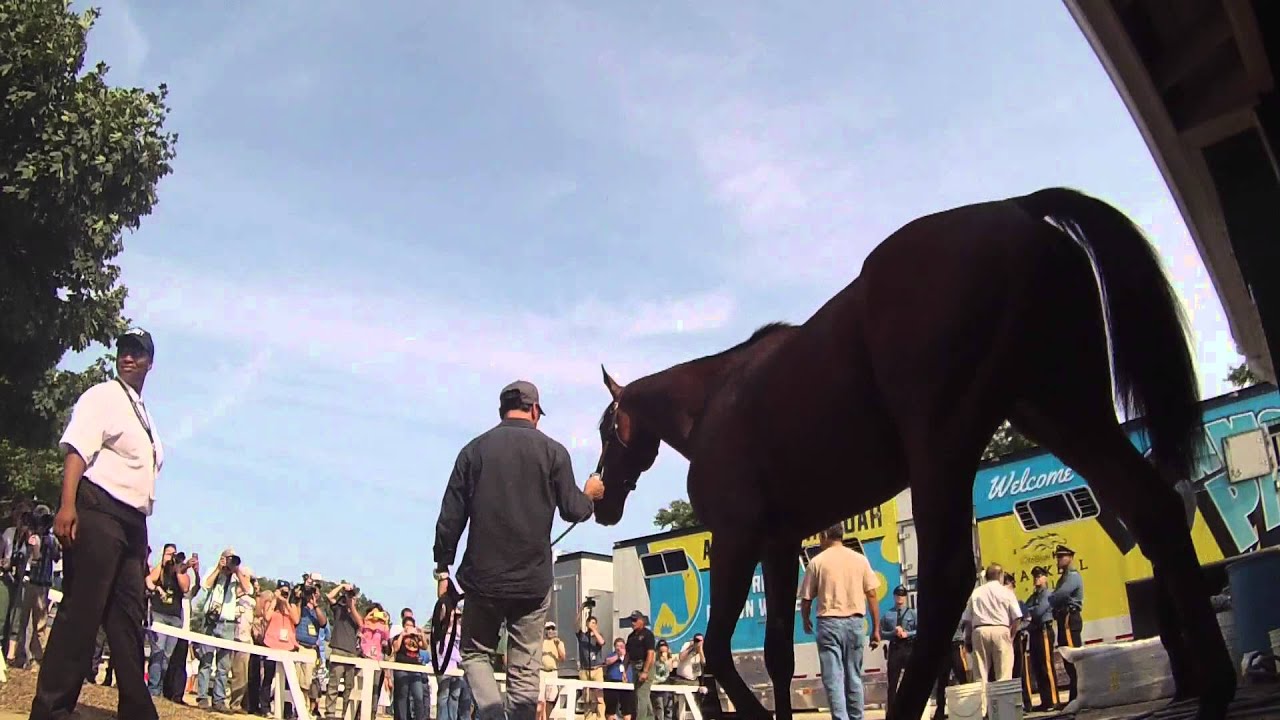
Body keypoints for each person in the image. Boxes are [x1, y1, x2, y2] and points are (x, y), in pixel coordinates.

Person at [433, 380, 605, 720]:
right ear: (535, 410)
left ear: (502, 410)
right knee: (525, 666)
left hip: (482, 580)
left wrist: (443, 569)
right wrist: (590, 493)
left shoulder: (473, 451)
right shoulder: (553, 452)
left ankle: (494, 716)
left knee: (475, 653)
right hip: (532, 581)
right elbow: (575, 510)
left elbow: (450, 517)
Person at [30, 328, 164, 720]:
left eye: (137, 353)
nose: (129, 357)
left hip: (132, 522)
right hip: (98, 509)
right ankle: (51, 708)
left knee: (127, 618)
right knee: (82, 610)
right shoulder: (103, 396)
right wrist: (66, 505)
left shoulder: (144, 415)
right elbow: (78, 450)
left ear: (149, 363)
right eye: (124, 350)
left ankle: (137, 711)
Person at [799, 524, 881, 720]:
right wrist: (876, 628)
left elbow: (807, 599)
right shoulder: (860, 560)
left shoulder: (817, 562)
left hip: (829, 624)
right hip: (855, 623)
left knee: (833, 679)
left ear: (825, 534)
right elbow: (871, 594)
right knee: (854, 676)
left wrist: (805, 619)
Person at [960, 564, 1022, 684]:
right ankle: (1003, 702)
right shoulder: (1006, 592)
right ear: (1001, 576)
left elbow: (967, 620)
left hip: (980, 631)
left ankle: (982, 702)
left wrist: (968, 639)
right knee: (1004, 673)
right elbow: (1017, 617)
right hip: (1001, 629)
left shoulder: (976, 593)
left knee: (980, 674)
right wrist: (1012, 636)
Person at [1049, 546, 1084, 704]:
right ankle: (1074, 696)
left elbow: (1060, 595)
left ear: (1070, 557)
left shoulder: (1072, 576)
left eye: (1062, 556)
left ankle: (1077, 697)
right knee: (1067, 658)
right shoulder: (1063, 578)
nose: (1058, 560)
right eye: (1057, 557)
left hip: (1070, 618)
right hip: (1063, 619)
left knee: (1072, 658)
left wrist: (1052, 598)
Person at [1024, 566, 1059, 712]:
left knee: (1046, 666)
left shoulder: (1048, 594)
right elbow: (1024, 611)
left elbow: (1038, 612)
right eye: (1035, 576)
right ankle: (1045, 700)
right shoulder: (1033, 597)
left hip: (1044, 631)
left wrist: (1030, 612)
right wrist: (1030, 612)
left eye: (1039, 576)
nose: (1037, 579)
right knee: (1037, 668)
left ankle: (1053, 700)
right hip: (1034, 633)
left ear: (1045, 578)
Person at [879, 585, 917, 718]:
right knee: (892, 684)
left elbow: (920, 630)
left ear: (905, 597)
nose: (900, 597)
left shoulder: (913, 613)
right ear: (894, 597)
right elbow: (880, 633)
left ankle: (911, 711)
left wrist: (908, 634)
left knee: (912, 680)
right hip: (895, 648)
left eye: (902, 595)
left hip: (908, 648)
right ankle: (891, 714)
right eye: (897, 595)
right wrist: (893, 633)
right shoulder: (888, 615)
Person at [576, 603, 606, 720]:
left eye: (594, 623)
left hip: (596, 669)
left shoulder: (598, 636)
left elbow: (602, 642)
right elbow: (575, 625)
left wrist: (594, 630)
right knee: (587, 697)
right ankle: (588, 718)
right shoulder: (582, 636)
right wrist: (581, 610)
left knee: (599, 697)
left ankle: (600, 718)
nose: (592, 625)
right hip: (585, 670)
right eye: (590, 623)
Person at [624, 611, 656, 720]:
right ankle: (650, 718)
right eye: (631, 620)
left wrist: (645, 671)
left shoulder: (647, 634)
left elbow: (650, 653)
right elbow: (627, 654)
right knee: (640, 695)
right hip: (634, 667)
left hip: (644, 666)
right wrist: (624, 669)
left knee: (641, 695)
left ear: (641, 621)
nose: (632, 623)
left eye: (635, 620)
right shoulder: (631, 636)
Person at [540, 621, 567, 720]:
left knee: (551, 698)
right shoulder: (541, 642)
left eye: (552, 628)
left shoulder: (559, 642)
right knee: (541, 699)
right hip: (542, 671)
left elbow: (563, 658)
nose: (550, 631)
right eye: (548, 629)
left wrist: (557, 645)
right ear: (545, 630)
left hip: (553, 672)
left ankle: (547, 717)